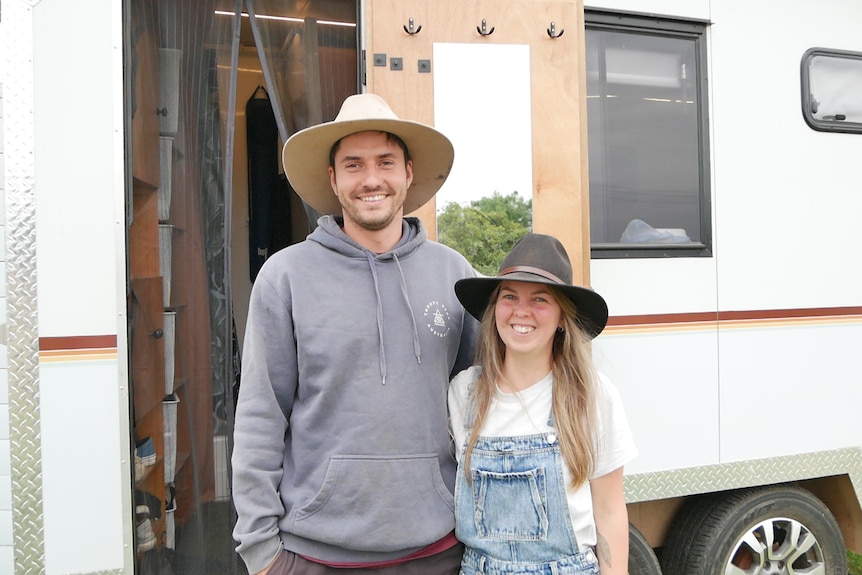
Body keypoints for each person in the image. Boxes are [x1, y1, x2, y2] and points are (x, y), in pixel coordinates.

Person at [232, 93, 479, 575]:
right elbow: (261, 414)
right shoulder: (286, 276)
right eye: (353, 164)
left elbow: (481, 402)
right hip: (315, 554)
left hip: (439, 549)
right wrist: (260, 550)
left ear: (408, 171)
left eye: (386, 162)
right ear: (333, 179)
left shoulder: (454, 273)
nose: (371, 179)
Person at [448, 233, 637, 575]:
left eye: (540, 300)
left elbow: (609, 511)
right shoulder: (463, 393)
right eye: (509, 297)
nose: (521, 311)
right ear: (494, 310)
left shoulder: (591, 394)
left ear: (563, 318)